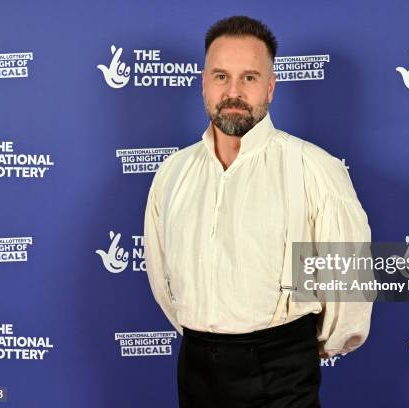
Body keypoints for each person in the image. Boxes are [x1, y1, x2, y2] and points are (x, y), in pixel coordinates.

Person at [144, 15, 374, 408]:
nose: (233, 91)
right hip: (195, 368)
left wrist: (294, 349)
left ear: (270, 87)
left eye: (249, 78)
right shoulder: (172, 173)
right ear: (203, 83)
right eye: (221, 77)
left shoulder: (313, 168)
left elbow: (348, 288)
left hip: (281, 372)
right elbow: (162, 277)